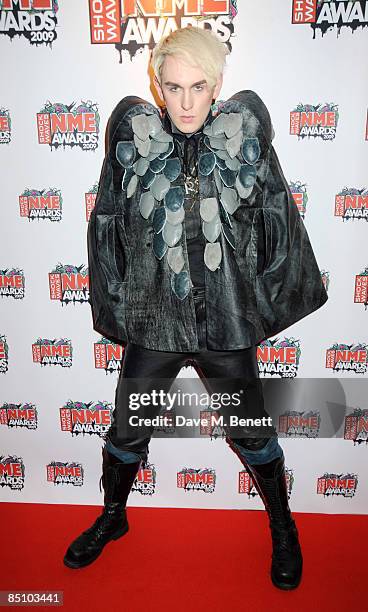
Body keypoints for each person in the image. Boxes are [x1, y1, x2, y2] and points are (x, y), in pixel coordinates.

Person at [63, 27, 328, 590]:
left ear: (218, 86)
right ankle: (114, 516)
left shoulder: (244, 137)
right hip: (155, 321)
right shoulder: (133, 136)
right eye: (174, 87)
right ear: (157, 84)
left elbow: (278, 220)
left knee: (252, 430)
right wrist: (117, 308)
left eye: (199, 87)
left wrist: (265, 306)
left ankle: (283, 525)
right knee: (128, 427)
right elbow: (107, 222)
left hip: (225, 322)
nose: (185, 103)